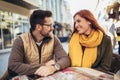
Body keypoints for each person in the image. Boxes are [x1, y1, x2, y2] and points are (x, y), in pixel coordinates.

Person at [7, 10, 70, 79]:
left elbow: (65, 59)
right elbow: (13, 65)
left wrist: (55, 67)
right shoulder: (20, 40)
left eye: (52, 25)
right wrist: (45, 65)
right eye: (49, 25)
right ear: (38, 27)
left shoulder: (53, 39)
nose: (52, 28)